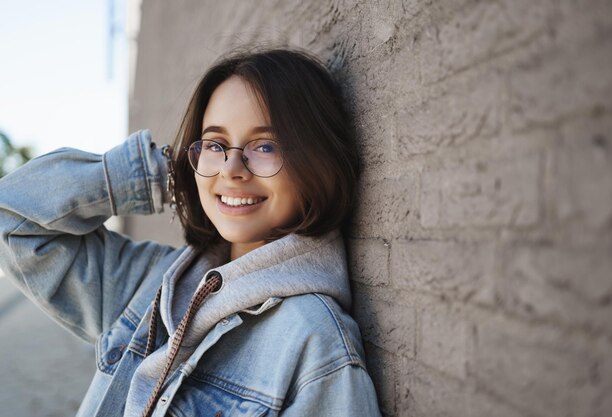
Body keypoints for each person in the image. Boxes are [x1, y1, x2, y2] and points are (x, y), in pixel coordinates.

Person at [0, 47, 382, 416]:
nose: (231, 168)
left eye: (265, 146)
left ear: (317, 161)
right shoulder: (152, 284)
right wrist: (168, 173)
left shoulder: (316, 345)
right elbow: (13, 220)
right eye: (215, 144)